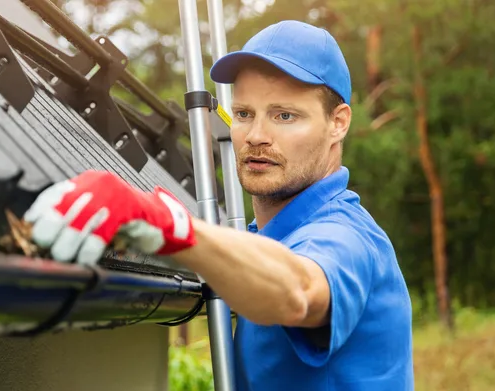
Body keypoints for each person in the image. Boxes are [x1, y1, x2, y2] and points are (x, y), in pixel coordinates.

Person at [23, 20, 414, 390]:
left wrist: (172, 227)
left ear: (338, 123)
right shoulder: (269, 237)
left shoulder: (346, 236)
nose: (256, 135)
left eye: (285, 115)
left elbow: (299, 291)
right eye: (244, 114)